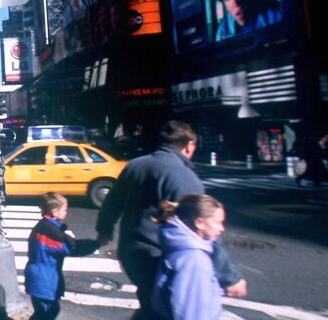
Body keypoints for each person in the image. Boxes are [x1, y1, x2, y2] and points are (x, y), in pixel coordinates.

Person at [96, 120, 246, 319]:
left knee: (150, 305)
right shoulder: (182, 176)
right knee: (162, 310)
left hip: (130, 252)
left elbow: (112, 202)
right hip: (157, 257)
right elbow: (203, 226)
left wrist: (104, 230)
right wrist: (229, 277)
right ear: (189, 145)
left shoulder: (136, 165)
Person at [24, 192, 100, 320]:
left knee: (46, 312)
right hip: (44, 281)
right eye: (65, 209)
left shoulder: (43, 227)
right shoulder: (50, 232)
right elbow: (73, 247)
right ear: (54, 211)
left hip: (39, 277)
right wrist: (97, 243)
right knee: (47, 313)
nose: (66, 212)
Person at [152, 194, 227, 320]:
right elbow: (192, 311)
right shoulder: (194, 260)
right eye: (217, 223)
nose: (222, 228)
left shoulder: (180, 248)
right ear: (199, 223)